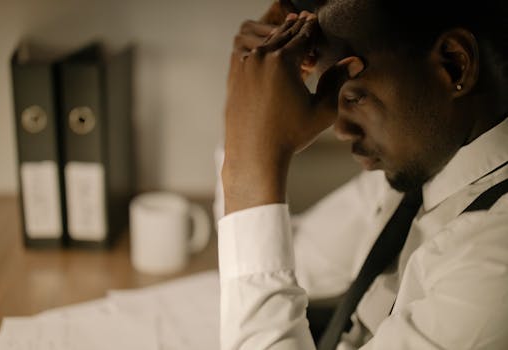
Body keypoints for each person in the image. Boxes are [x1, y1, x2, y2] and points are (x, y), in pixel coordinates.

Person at [218, 0, 508, 349]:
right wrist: (247, 107)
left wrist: (249, 158)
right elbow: (290, 260)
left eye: (355, 97)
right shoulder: (415, 172)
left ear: (454, 65)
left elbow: (259, 274)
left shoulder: (493, 263)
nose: (339, 130)